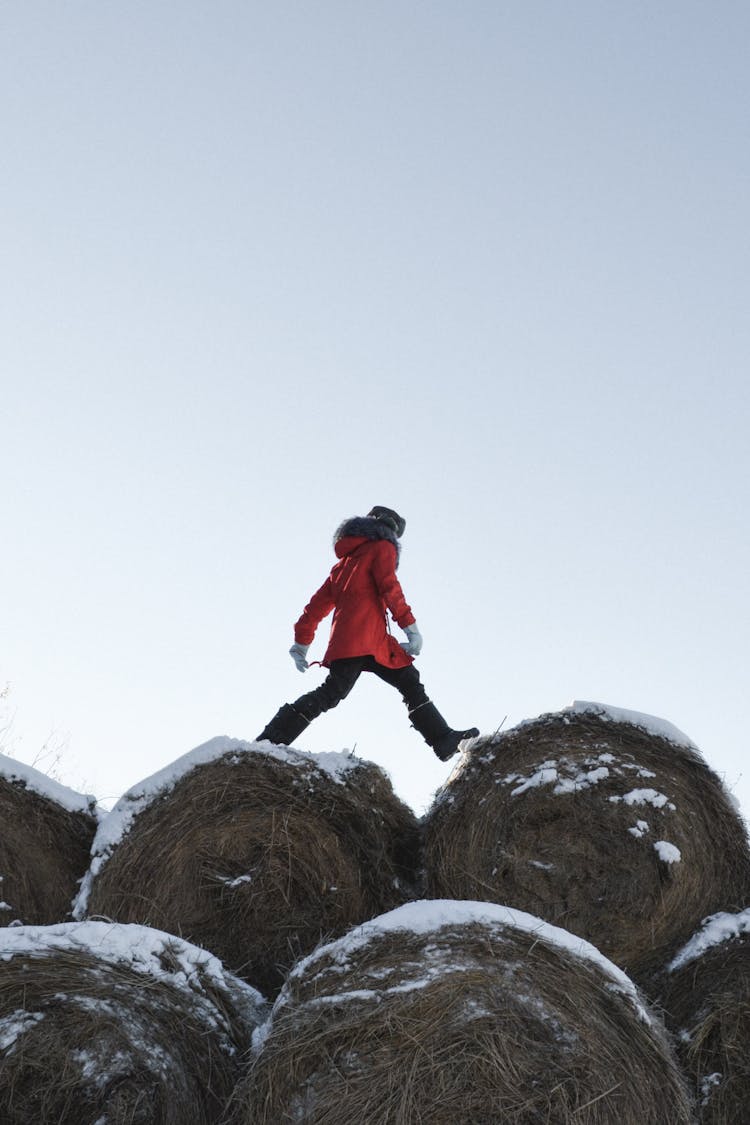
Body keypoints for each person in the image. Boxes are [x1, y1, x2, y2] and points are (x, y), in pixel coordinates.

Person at [257, 505, 478, 761]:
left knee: (406, 680)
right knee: (333, 693)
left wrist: (301, 643)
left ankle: (443, 739)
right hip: (364, 640)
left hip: (359, 641)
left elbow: (315, 607)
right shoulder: (382, 547)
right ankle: (271, 739)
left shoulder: (343, 565)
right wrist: (411, 628)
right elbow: (390, 587)